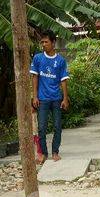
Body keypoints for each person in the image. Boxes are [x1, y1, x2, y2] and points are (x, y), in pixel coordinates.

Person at [30, 30, 70, 163]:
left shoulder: (60, 61)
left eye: (46, 42)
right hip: (42, 99)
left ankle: (55, 152)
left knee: (57, 126)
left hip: (57, 98)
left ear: (53, 43)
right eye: (42, 42)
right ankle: (44, 154)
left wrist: (65, 98)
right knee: (42, 127)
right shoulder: (38, 58)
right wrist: (34, 96)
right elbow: (35, 77)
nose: (43, 44)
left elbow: (63, 80)